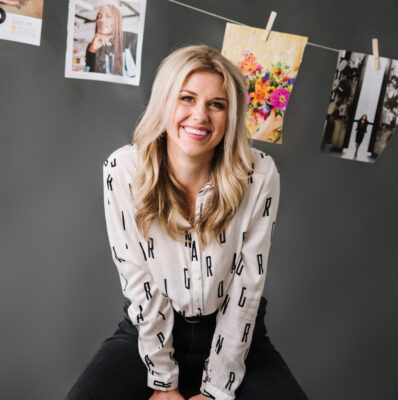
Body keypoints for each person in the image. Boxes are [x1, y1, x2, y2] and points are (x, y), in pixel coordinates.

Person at [66, 45, 308, 400]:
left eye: (217, 104)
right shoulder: (124, 170)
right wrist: (163, 381)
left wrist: (217, 389)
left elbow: (247, 287)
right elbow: (139, 283)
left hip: (237, 334)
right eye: (187, 98)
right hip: (149, 329)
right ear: (165, 102)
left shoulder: (259, 174)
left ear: (231, 115)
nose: (200, 116)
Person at [85, 3, 137, 77]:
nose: (101, 20)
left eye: (108, 16)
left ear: (117, 20)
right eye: (99, 17)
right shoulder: (91, 46)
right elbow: (88, 76)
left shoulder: (133, 39)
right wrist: (92, 51)